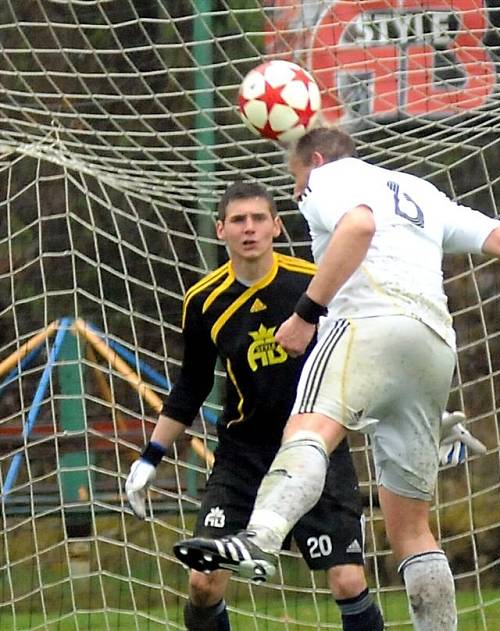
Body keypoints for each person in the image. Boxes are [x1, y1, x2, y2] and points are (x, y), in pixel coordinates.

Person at [174, 128, 500, 630]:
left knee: (308, 431)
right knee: (411, 529)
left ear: (315, 162)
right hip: (432, 343)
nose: (298, 195)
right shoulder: (421, 193)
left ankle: (260, 539)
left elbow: (358, 226)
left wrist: (306, 313)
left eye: (295, 182)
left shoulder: (329, 180)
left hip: (365, 324)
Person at [124, 181, 384, 631]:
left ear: (277, 227)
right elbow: (192, 384)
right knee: (204, 584)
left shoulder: (313, 282)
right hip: (242, 455)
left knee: (346, 579)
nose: (250, 229)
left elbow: (363, 358)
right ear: (220, 229)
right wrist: (151, 456)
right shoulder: (203, 301)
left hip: (314, 446)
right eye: (239, 220)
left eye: (259, 219)